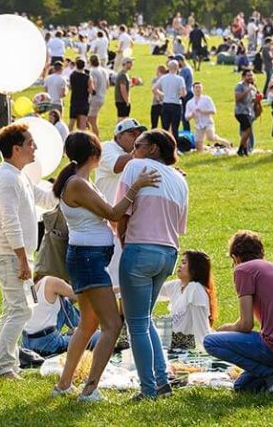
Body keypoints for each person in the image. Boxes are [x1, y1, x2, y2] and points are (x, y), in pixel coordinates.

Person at [51, 131, 160, 401]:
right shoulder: (78, 184)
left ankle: (64, 385)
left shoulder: (80, 181)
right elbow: (112, 213)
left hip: (88, 258)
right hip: (88, 259)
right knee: (112, 325)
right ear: (94, 154)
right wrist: (137, 186)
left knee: (87, 323)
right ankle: (89, 390)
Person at [117, 129, 189, 399]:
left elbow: (120, 212)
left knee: (136, 325)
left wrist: (124, 243)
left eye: (137, 145)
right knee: (144, 321)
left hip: (139, 250)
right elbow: (180, 225)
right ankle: (162, 382)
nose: (131, 151)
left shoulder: (135, 166)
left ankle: (149, 389)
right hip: (168, 253)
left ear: (153, 149)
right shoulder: (180, 180)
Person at [0, 123, 57, 380]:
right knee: (20, 310)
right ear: (16, 149)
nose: (34, 147)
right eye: (30, 143)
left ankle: (7, 364)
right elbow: (9, 221)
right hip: (9, 254)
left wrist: (68, 179)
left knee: (13, 309)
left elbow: (45, 200)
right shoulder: (6, 177)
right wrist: (21, 259)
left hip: (17, 253)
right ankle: (3, 367)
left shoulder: (19, 175)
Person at [203, 231, 273, 394]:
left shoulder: (243, 270)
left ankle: (272, 374)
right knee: (242, 387)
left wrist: (223, 329)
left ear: (235, 258)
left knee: (210, 341)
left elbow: (246, 324)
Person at [94, 118, 148, 283]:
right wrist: (141, 151)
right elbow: (117, 165)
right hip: (105, 223)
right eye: (132, 134)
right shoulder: (107, 148)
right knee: (113, 275)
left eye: (140, 135)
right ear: (118, 136)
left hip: (127, 222)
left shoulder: (137, 159)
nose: (137, 139)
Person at [22, 275, 98, 358]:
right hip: (47, 345)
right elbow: (82, 297)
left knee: (65, 302)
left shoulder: (34, 283)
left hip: (26, 344)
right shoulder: (52, 281)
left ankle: (81, 329)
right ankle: (84, 331)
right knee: (98, 336)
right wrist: (109, 291)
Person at [157, 250, 217, 350]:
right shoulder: (178, 284)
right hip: (171, 340)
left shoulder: (196, 289)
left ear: (195, 268)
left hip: (185, 345)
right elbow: (152, 291)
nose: (179, 266)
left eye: (184, 263)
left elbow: (201, 326)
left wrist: (203, 350)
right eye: (181, 262)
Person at [185, 82, 230, 151]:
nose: (198, 89)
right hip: (198, 124)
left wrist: (203, 111)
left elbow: (213, 111)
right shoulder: (190, 102)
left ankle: (225, 142)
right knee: (198, 147)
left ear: (202, 89)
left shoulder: (207, 99)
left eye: (199, 87)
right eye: (196, 88)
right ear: (193, 89)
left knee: (211, 137)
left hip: (208, 122)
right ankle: (208, 149)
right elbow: (186, 118)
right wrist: (192, 115)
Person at [151, 60, 186, 140]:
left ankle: (165, 147)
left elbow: (154, 89)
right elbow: (183, 93)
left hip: (165, 104)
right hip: (176, 104)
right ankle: (175, 147)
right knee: (175, 128)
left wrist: (162, 94)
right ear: (177, 68)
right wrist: (178, 94)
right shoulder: (180, 79)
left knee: (165, 128)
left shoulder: (163, 78)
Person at [234, 70, 258, 157]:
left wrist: (257, 100)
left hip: (249, 112)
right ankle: (241, 149)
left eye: (251, 75)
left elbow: (251, 100)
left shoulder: (252, 87)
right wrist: (248, 90)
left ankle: (244, 150)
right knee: (247, 130)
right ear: (243, 77)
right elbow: (238, 99)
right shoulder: (239, 86)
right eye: (248, 76)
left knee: (246, 132)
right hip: (240, 112)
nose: (250, 77)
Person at [86, 55, 109, 138]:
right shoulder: (104, 70)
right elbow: (107, 84)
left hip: (94, 98)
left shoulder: (93, 71)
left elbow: (93, 85)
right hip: (102, 96)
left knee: (91, 121)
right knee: (92, 120)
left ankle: (96, 138)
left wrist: (88, 91)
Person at [69, 59, 93, 131]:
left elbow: (70, 87)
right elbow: (91, 90)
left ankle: (67, 137)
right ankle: (82, 139)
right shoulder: (87, 77)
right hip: (83, 101)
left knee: (71, 123)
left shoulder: (72, 75)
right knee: (82, 124)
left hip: (74, 101)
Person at [149, 65, 167, 130]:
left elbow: (155, 91)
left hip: (156, 104)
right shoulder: (167, 79)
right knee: (165, 125)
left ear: (159, 71)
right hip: (165, 103)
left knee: (154, 124)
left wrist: (158, 100)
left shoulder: (155, 80)